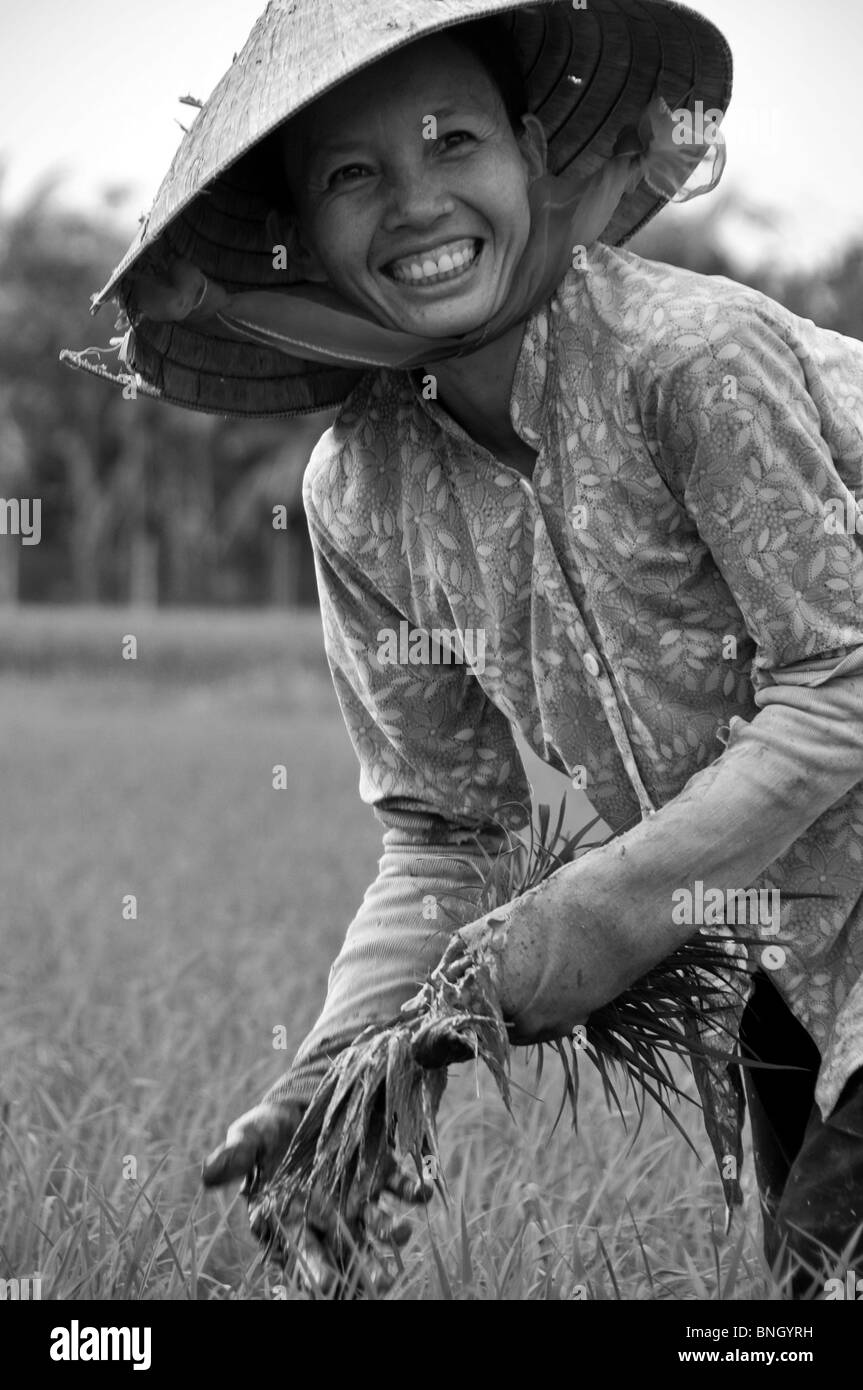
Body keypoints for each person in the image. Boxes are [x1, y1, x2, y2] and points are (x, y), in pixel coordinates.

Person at [63, 0, 863, 1299]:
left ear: (533, 154)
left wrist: (593, 918)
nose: (419, 201)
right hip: (771, 925)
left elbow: (841, 686)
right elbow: (447, 827)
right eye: (353, 174)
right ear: (301, 231)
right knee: (803, 1288)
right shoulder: (363, 491)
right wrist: (342, 1070)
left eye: (454, 144)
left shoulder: (687, 361)